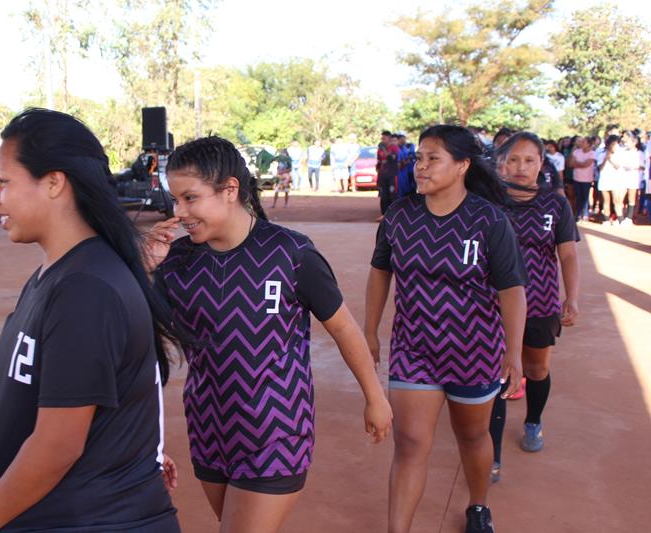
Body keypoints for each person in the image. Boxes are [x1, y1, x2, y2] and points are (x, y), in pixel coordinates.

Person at [0, 109, 182, 532]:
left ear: (54, 183)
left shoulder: (87, 288)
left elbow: (58, 444)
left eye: (4, 181)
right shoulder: (61, 274)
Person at [148, 136, 392, 533]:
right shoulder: (177, 262)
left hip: (277, 433)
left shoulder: (290, 253)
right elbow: (138, 335)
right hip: (209, 429)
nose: (179, 212)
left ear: (229, 190)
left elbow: (343, 326)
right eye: (175, 200)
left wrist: (375, 396)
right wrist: (145, 269)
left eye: (190, 198)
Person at [364, 125, 527, 533]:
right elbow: (380, 272)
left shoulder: (489, 220)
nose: (420, 166)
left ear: (462, 166)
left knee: (472, 437)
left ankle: (477, 506)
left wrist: (513, 354)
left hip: (475, 350)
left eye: (432, 158)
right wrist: (370, 331)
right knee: (410, 444)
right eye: (419, 158)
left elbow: (512, 291)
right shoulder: (400, 215)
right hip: (414, 349)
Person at [489, 132, 579, 484]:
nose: (521, 167)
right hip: (493, 305)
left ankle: (532, 421)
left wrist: (571, 297)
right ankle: (491, 451)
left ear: (542, 164)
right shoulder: (488, 203)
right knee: (496, 376)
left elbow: (568, 254)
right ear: (501, 163)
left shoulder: (556, 205)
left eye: (529, 160)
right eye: (513, 159)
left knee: (536, 369)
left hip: (540, 302)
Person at [617, 131, 645, 225]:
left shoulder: (640, 153)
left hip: (634, 178)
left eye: (629, 142)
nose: (626, 144)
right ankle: (620, 217)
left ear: (635, 142)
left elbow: (643, 166)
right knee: (619, 198)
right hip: (623, 178)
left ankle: (630, 217)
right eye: (626, 142)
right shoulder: (623, 152)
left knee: (632, 198)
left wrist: (633, 167)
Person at [597, 135, 625, 225]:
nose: (615, 146)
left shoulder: (619, 154)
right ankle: (606, 219)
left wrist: (610, 158)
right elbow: (600, 167)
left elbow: (617, 166)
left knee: (617, 200)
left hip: (615, 180)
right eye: (614, 144)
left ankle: (620, 219)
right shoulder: (601, 154)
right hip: (604, 179)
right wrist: (605, 158)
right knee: (606, 200)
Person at [570, 136, 597, 221]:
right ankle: (578, 213)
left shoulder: (592, 153)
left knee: (585, 197)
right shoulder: (576, 152)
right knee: (578, 196)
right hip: (577, 178)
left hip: (587, 179)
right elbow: (571, 164)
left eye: (584, 142)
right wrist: (581, 164)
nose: (582, 143)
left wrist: (577, 164)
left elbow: (586, 164)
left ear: (589, 144)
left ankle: (585, 213)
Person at [375, 131, 398, 219]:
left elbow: (391, 159)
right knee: (383, 195)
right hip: (382, 174)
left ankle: (393, 214)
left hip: (392, 174)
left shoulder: (394, 148)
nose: (382, 140)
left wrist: (384, 150)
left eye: (384, 138)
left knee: (392, 195)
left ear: (389, 138)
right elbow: (379, 160)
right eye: (382, 138)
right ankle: (384, 214)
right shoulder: (380, 148)